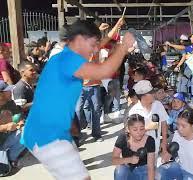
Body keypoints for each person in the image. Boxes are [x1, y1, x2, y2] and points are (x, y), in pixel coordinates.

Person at [21, 20, 135, 180]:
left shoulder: (65, 57)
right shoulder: (67, 59)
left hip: (52, 132)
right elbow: (104, 70)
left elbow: (101, 43)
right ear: (80, 39)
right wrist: (123, 47)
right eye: (93, 44)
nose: (96, 49)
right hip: (46, 134)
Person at [157, 109, 193, 180]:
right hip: (179, 166)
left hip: (192, 173)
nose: (180, 129)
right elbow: (169, 153)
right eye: (178, 124)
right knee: (159, 172)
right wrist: (166, 156)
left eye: (183, 126)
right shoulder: (177, 134)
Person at [128, 80, 170, 162]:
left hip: (156, 147)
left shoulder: (158, 105)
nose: (154, 94)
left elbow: (164, 124)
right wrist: (151, 126)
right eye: (151, 93)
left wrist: (164, 144)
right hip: (141, 151)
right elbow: (131, 133)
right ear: (143, 96)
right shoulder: (134, 111)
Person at [112, 114, 155, 180]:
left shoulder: (150, 140)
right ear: (128, 129)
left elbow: (150, 167)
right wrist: (130, 160)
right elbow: (114, 160)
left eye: (142, 129)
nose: (139, 132)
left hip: (144, 170)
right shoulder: (123, 137)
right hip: (127, 168)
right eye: (135, 130)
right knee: (120, 171)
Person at [0, 85, 25, 167]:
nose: (11, 93)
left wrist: (21, 124)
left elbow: (18, 116)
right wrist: (5, 127)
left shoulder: (10, 102)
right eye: (8, 91)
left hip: (7, 137)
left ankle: (11, 158)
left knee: (28, 132)